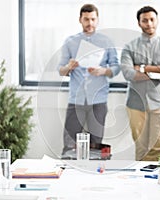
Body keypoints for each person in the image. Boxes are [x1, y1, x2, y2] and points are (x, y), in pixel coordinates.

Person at [57, 4, 120, 157]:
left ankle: (94, 175)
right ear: (80, 20)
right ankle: (68, 172)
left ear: (97, 20)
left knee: (97, 143)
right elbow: (60, 70)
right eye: (86, 19)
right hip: (76, 99)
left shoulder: (106, 41)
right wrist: (69, 67)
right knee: (70, 142)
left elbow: (116, 67)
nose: (90, 23)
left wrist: (103, 71)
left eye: (93, 19)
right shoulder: (70, 41)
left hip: (98, 99)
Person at [120, 6, 160, 161]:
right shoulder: (129, 47)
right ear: (139, 23)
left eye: (152, 19)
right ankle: (140, 183)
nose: (149, 23)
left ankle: (152, 180)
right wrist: (158, 72)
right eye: (144, 20)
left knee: (159, 146)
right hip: (135, 104)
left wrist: (141, 68)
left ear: (157, 20)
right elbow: (128, 73)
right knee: (141, 147)